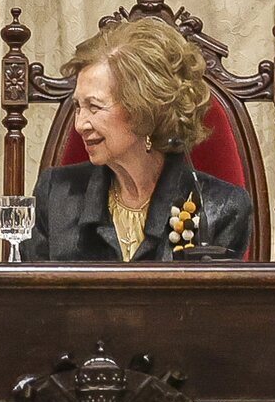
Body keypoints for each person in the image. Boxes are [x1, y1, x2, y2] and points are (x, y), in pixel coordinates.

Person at [22, 17, 252, 262]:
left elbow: (216, 300)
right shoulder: (55, 195)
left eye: (95, 107)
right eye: (78, 106)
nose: (80, 125)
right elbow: (32, 297)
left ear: (145, 110)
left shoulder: (222, 207)